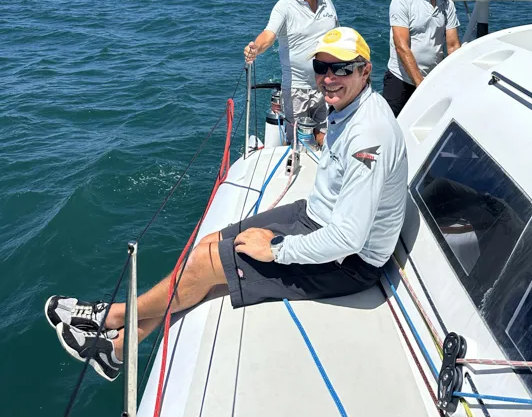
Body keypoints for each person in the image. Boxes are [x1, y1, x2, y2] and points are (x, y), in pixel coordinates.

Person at [46, 27, 408, 382]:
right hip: (315, 216)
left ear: (365, 70)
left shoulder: (368, 134)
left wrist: (277, 249)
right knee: (206, 246)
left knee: (206, 264)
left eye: (342, 68)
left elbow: (349, 238)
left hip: (348, 263)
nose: (329, 78)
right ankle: (120, 348)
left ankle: (111, 318)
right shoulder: (346, 105)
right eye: (321, 67)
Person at [243, 0, 338, 139]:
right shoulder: (284, 7)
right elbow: (269, 35)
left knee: (328, 137)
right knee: (296, 142)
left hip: (328, 84)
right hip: (297, 90)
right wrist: (256, 48)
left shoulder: (327, 1)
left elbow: (338, 36)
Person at [383, 0, 460, 117]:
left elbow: (453, 46)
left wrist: (456, 78)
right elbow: (401, 46)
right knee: (392, 130)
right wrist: (420, 83)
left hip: (432, 80)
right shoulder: (402, 0)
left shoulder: (447, 4)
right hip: (401, 81)